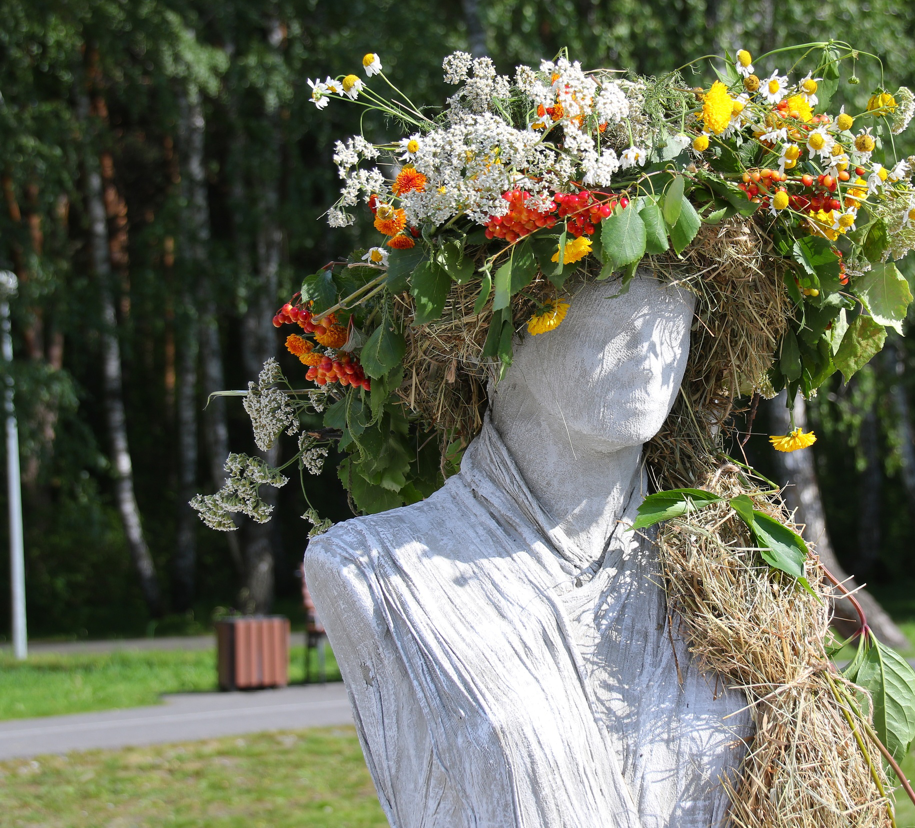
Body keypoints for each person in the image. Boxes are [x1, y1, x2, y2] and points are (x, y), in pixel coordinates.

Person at [304, 276, 752, 828]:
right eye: (609, 319)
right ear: (497, 333)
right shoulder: (376, 569)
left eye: (671, 323)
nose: (649, 352)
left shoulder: (731, 559)